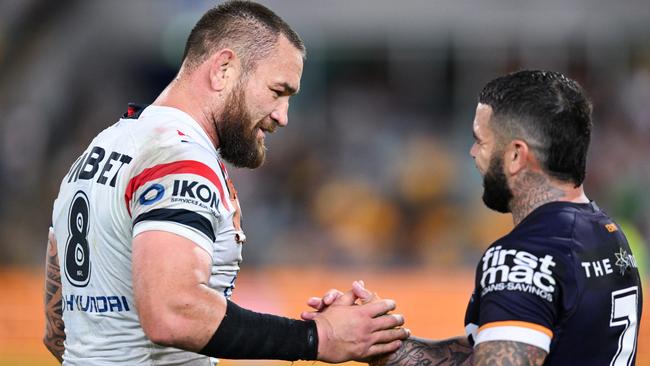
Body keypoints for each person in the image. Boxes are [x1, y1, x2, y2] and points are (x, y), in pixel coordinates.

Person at [42, 1, 409, 364]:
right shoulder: (180, 158)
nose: (282, 116)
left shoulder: (99, 150)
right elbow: (172, 315)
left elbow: (58, 330)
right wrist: (319, 337)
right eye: (278, 91)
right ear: (224, 69)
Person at [304, 70, 644, 365]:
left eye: (481, 141)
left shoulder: (524, 254)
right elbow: (488, 353)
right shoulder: (609, 236)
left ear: (515, 155)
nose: (473, 154)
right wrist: (379, 344)